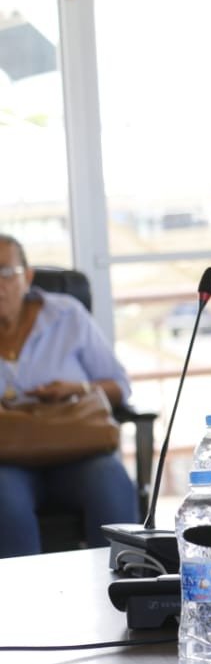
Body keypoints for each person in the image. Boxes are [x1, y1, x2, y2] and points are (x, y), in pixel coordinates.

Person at [0, 234, 137, 557]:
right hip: (6, 461)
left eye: (5, 273)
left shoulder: (67, 314)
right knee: (4, 497)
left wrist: (79, 389)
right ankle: (18, 589)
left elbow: (120, 385)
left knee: (110, 480)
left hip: (77, 452)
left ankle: (123, 581)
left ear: (27, 276)